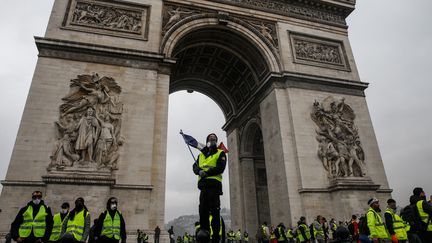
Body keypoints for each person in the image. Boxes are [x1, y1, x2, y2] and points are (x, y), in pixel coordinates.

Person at [192, 133, 227, 243]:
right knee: (203, 211)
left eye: (214, 139)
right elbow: (194, 167)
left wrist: (206, 172)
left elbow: (220, 168)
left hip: (214, 186)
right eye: (210, 139)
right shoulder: (201, 155)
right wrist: (199, 171)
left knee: (215, 212)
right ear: (206, 140)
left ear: (216, 141)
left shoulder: (220, 153)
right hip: (203, 187)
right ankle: (204, 235)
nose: (212, 140)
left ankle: (216, 238)